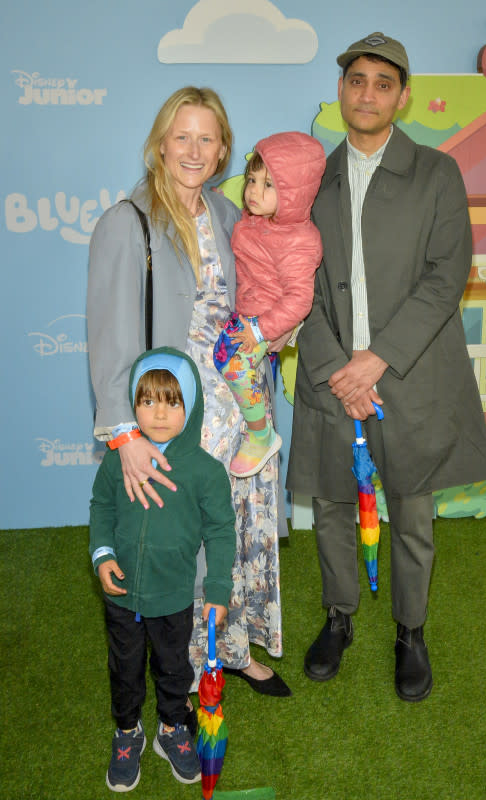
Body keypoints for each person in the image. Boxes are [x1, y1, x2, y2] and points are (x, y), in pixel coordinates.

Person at [287, 33, 486, 701]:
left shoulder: (436, 173)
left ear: (401, 95)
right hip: (330, 376)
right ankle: (338, 616)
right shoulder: (311, 181)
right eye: (356, 81)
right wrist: (334, 368)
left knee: (409, 510)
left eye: (382, 82)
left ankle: (410, 630)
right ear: (342, 90)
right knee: (331, 506)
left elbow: (445, 277)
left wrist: (374, 361)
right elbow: (298, 286)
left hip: (407, 374)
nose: (367, 93)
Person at [88, 87, 291, 699]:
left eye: (208, 138)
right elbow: (109, 338)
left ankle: (233, 649)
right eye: (183, 136)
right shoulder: (128, 221)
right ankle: (189, 665)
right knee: (189, 542)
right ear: (160, 143)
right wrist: (125, 433)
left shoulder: (231, 216)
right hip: (176, 417)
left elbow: (255, 299)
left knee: (237, 530)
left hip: (240, 409)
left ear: (224, 148)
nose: (195, 150)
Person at [89, 347, 236, 792]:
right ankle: (127, 732)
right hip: (122, 595)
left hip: (173, 596)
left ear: (191, 407)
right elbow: (101, 508)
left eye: (172, 401)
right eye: (147, 400)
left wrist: (217, 589)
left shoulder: (206, 472)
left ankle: (172, 728)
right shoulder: (120, 460)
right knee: (125, 668)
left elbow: (221, 532)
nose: (158, 413)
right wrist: (103, 554)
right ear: (133, 404)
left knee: (174, 669)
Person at [213, 131, 325, 478]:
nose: (253, 192)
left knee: (233, 367)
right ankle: (247, 427)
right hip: (247, 313)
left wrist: (261, 330)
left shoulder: (299, 240)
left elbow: (299, 299)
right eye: (251, 180)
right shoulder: (258, 221)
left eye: (269, 185)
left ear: (294, 194)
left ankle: (261, 436)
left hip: (264, 322)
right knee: (220, 359)